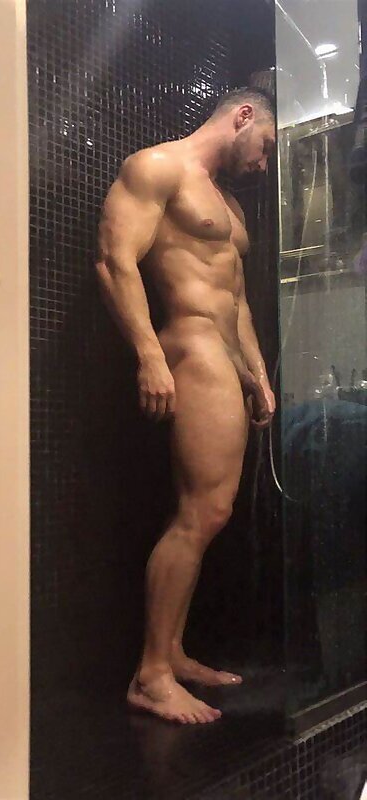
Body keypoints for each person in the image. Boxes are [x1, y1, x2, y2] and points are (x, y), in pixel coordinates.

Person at [96, 87, 276, 725]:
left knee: (203, 513)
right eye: (266, 146)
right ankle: (150, 676)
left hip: (226, 359)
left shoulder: (227, 201)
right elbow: (114, 260)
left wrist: (259, 376)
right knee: (204, 512)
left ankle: (171, 653)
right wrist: (148, 354)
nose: (263, 163)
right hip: (191, 349)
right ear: (244, 116)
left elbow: (239, 300)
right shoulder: (158, 166)